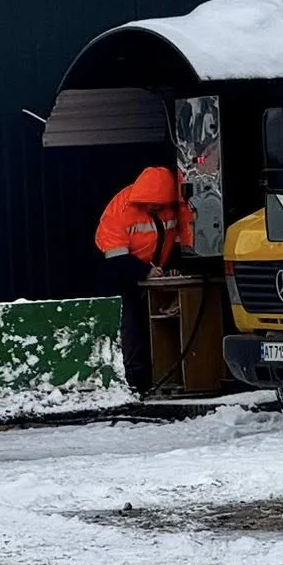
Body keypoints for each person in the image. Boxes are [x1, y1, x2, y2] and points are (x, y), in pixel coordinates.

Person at [95, 162, 192, 394]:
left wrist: (174, 267)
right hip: (123, 279)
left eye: (159, 205)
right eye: (152, 204)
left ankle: (165, 376)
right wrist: (143, 272)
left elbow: (184, 238)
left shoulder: (174, 207)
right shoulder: (120, 208)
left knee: (157, 329)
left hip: (156, 277)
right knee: (132, 330)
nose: (154, 207)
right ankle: (137, 381)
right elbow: (114, 255)